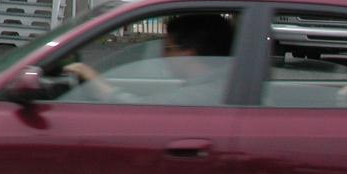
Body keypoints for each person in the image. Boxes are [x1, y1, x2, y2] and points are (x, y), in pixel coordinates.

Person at [62, 13, 235, 105]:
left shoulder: (199, 95)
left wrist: (99, 85)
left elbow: (140, 111)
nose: (163, 56)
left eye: (169, 48)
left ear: (189, 53)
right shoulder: (222, 84)